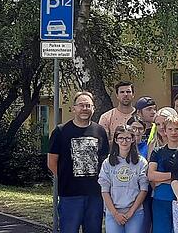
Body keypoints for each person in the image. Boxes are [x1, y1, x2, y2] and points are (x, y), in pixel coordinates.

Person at [48, 91, 110, 233]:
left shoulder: (100, 131)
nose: (84, 108)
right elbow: (52, 162)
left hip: (95, 194)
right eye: (81, 105)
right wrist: (66, 177)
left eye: (88, 105)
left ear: (93, 108)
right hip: (70, 195)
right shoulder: (60, 131)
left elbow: (104, 160)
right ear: (74, 108)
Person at [99, 125, 149, 233]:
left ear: (132, 140)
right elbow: (104, 190)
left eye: (127, 138)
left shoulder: (141, 162)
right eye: (121, 138)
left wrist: (130, 212)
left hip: (135, 212)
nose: (124, 141)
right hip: (113, 212)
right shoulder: (107, 163)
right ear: (116, 140)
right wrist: (115, 214)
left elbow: (144, 189)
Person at [148, 114, 178, 233]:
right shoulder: (157, 152)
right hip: (162, 199)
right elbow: (151, 175)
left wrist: (162, 179)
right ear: (165, 131)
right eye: (170, 129)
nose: (173, 132)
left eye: (177, 129)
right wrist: (175, 176)